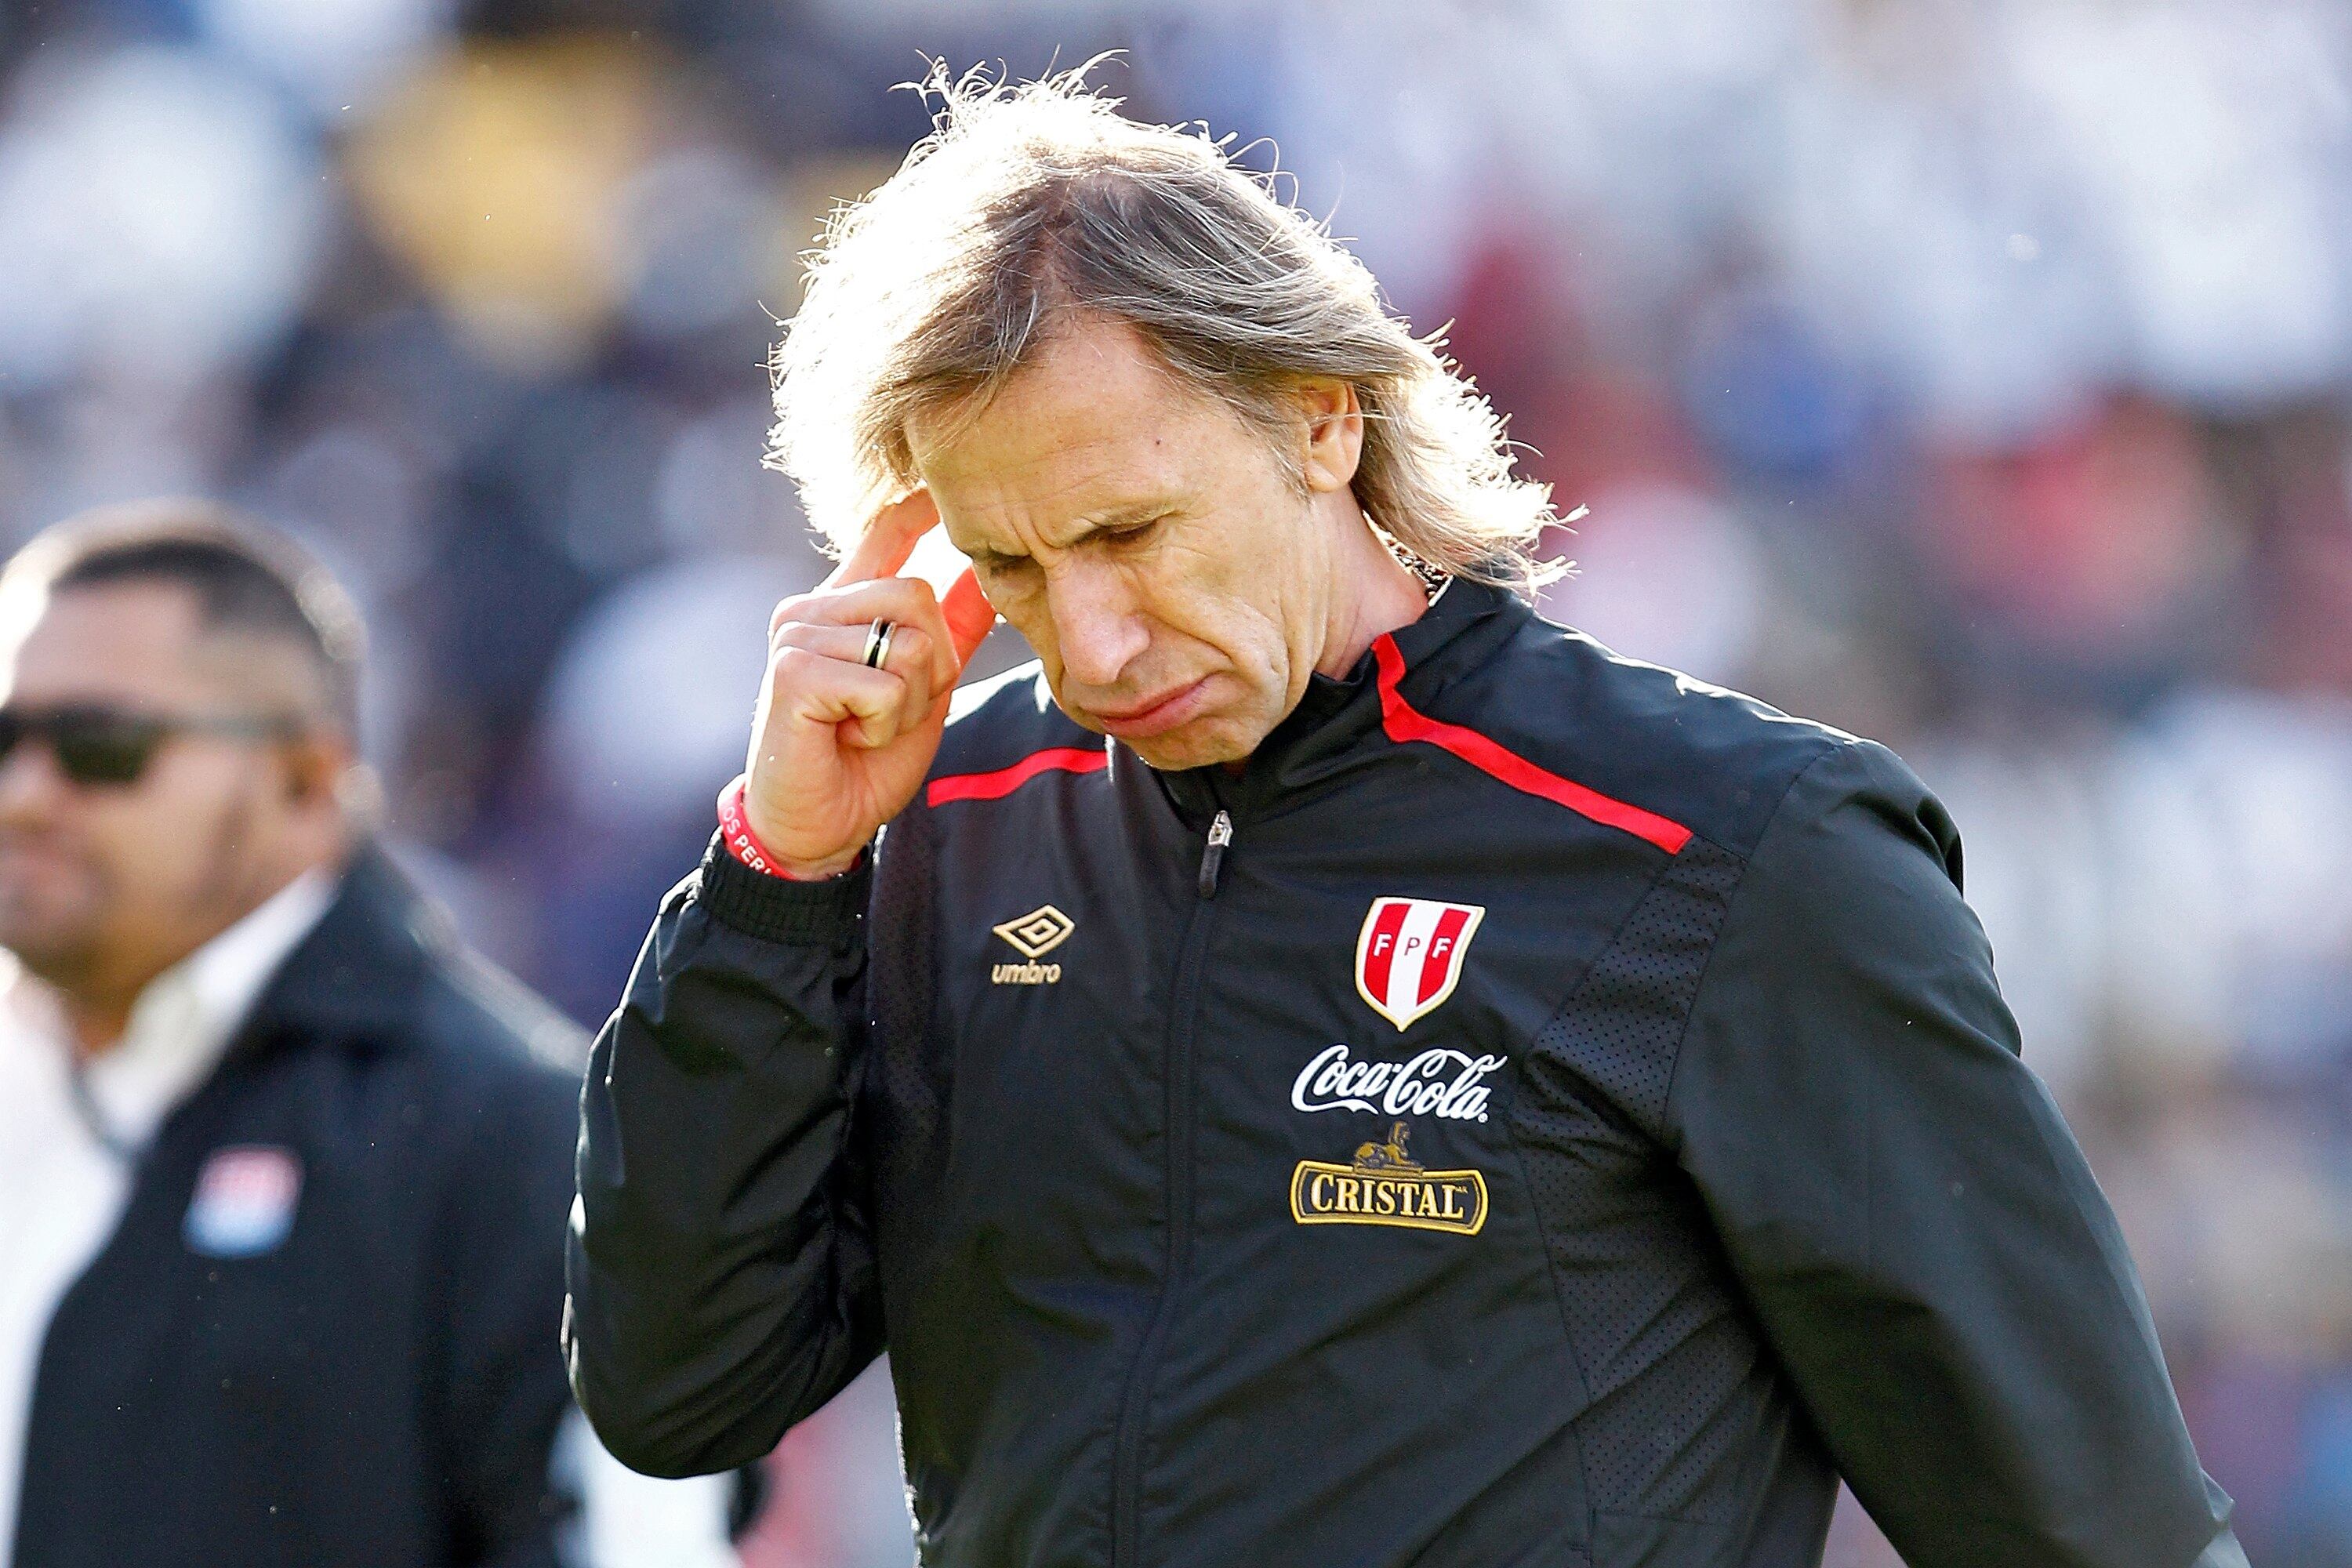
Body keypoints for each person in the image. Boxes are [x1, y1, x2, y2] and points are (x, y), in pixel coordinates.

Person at [565, 71, 2246, 1568]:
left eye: (1133, 531)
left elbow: (2095, 1524)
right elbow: (682, 1392)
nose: (1087, 645)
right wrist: (777, 877)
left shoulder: (1734, 847)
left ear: (1320, 417)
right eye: (1009, 566)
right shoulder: (940, 821)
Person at [0, 503, 735, 1567]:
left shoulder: (516, 1133)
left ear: (306, 782)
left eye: (101, 745)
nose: (26, 794)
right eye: (4, 739)